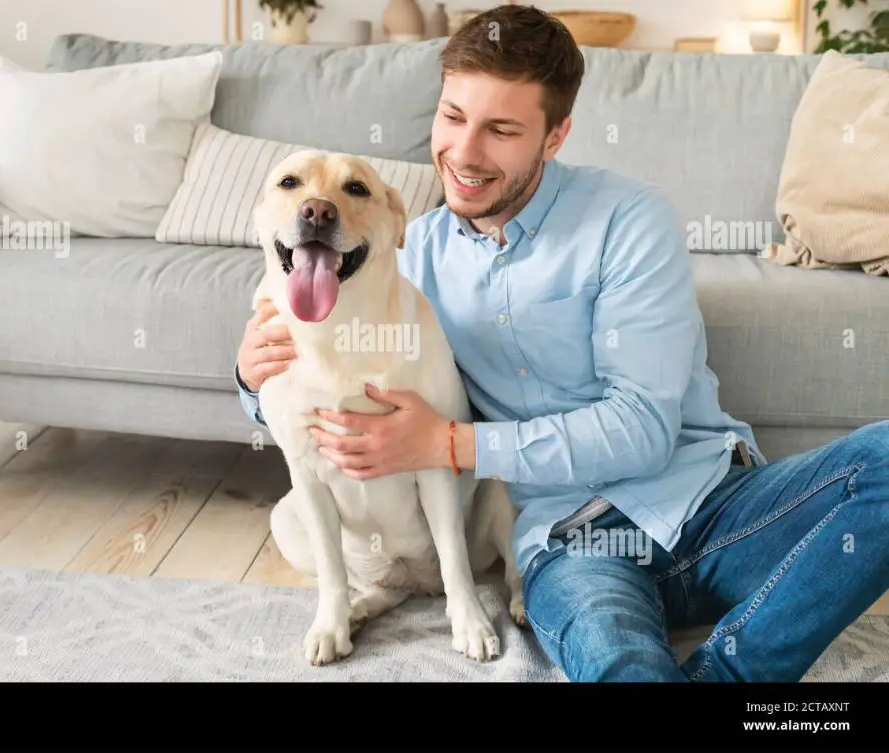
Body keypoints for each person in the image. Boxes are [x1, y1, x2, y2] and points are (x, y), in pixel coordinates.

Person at [233, 4, 889, 682]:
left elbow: (642, 429)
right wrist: (254, 382)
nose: (463, 152)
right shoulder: (406, 253)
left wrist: (451, 444)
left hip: (714, 505)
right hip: (570, 542)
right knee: (625, 669)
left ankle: (730, 674)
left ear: (555, 136)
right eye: (453, 117)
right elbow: (326, 378)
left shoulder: (629, 221)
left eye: (501, 129)